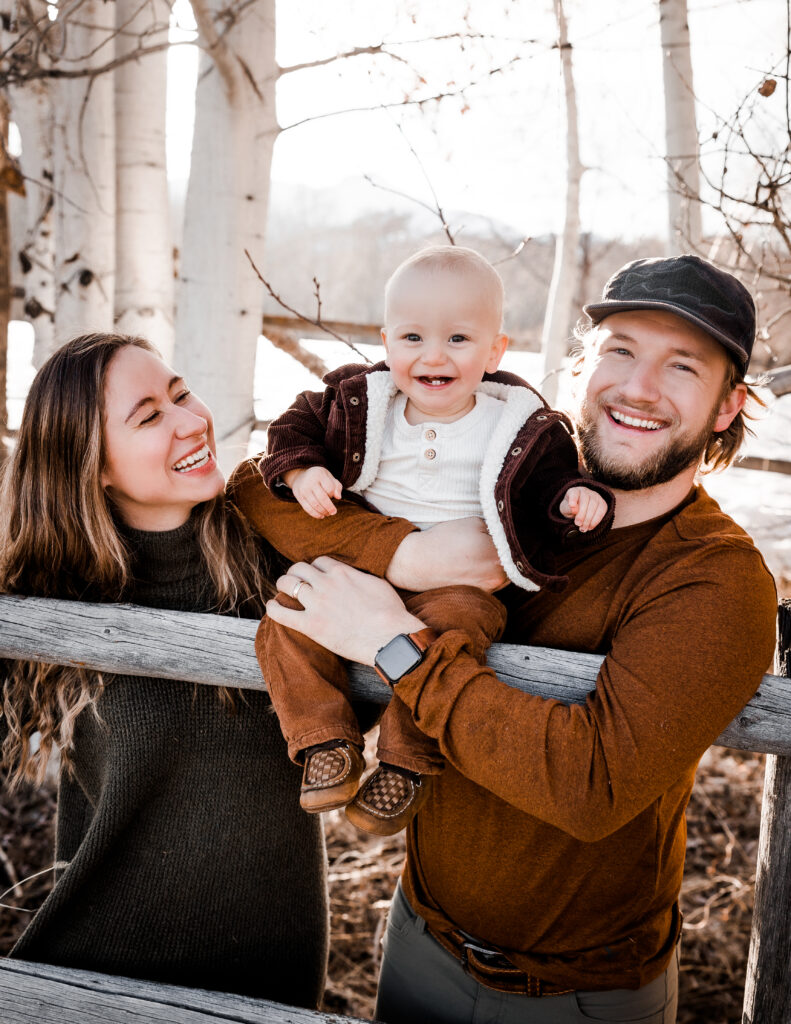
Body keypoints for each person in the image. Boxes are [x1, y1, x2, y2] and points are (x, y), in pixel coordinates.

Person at [232, 254, 778, 1023]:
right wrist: (403, 554)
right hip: (419, 935)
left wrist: (393, 645)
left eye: (682, 367)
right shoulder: (512, 475)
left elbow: (592, 787)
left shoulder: (713, 580)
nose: (639, 387)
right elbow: (257, 487)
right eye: (619, 350)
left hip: (576, 995)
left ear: (727, 407)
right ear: (585, 368)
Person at [0, 334, 328, 1007]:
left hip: (271, 969)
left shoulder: (276, 554)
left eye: (181, 393)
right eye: (149, 416)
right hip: (99, 973)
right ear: (92, 468)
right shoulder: (48, 602)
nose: (190, 420)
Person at [256, 245, 613, 836]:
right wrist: (301, 470)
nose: (433, 356)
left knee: (458, 631)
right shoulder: (361, 402)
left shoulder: (518, 426)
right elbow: (293, 424)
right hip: (359, 573)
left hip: (454, 588)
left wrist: (576, 499)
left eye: (458, 340)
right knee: (287, 616)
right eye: (414, 338)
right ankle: (325, 742)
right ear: (388, 342)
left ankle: (404, 762)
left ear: (496, 351)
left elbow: (549, 486)